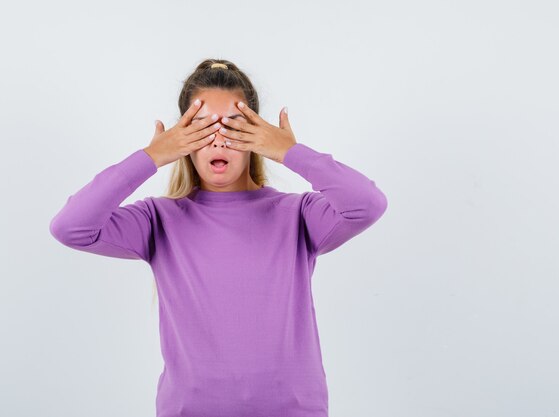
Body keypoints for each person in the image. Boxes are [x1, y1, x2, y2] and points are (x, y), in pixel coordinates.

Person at [49, 59, 388, 417]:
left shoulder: (298, 215)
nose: (218, 141)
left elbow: (366, 204)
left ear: (258, 137)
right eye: (201, 128)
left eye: (235, 127)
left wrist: (289, 152)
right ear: (182, 140)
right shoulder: (158, 219)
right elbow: (71, 227)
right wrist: (151, 157)